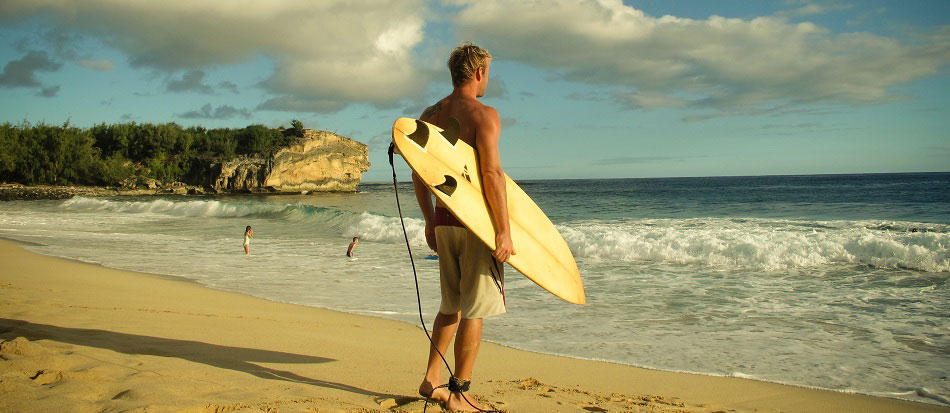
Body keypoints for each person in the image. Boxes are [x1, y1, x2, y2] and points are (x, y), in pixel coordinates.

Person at [412, 42, 514, 412]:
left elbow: (418, 175)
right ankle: (460, 394)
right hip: (474, 226)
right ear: (478, 73)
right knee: (474, 309)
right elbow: (491, 174)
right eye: (488, 72)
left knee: (449, 305)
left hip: (443, 221)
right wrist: (503, 230)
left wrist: (428, 221)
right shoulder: (485, 114)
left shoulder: (430, 113)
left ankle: (431, 378)